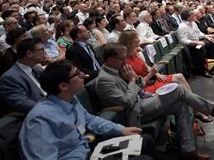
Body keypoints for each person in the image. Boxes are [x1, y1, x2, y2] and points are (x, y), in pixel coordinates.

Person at [95, 43, 214, 160]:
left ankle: (189, 151)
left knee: (181, 105)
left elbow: (142, 84)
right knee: (179, 90)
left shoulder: (117, 69)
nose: (125, 61)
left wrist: (135, 79)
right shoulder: (104, 80)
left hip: (143, 101)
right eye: (122, 58)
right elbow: (127, 102)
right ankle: (212, 108)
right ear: (110, 60)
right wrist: (132, 81)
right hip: (134, 113)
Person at [19, 60, 155, 160]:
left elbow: (90, 120)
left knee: (145, 140)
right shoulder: (40, 119)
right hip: (80, 156)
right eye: (77, 74)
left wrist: (120, 129)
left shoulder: (70, 99)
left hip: (92, 151)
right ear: (63, 86)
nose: (83, 75)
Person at [0, 38, 47, 114]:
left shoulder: (38, 70)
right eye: (42, 50)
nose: (45, 52)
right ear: (29, 54)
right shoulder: (9, 78)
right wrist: (50, 108)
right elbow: (21, 104)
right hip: (37, 116)